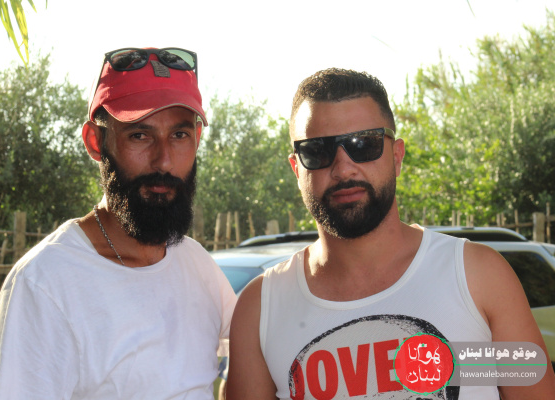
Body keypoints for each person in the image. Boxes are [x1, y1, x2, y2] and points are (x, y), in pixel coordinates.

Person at [226, 68, 555, 399]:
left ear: (397, 157)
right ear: (297, 169)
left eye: (364, 144)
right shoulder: (260, 309)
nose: (343, 168)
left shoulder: (477, 276)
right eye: (316, 151)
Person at [0, 47, 237, 399]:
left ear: (196, 139)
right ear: (96, 142)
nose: (164, 161)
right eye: (140, 135)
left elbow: (258, 356)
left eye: (179, 135)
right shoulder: (45, 283)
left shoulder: (196, 264)